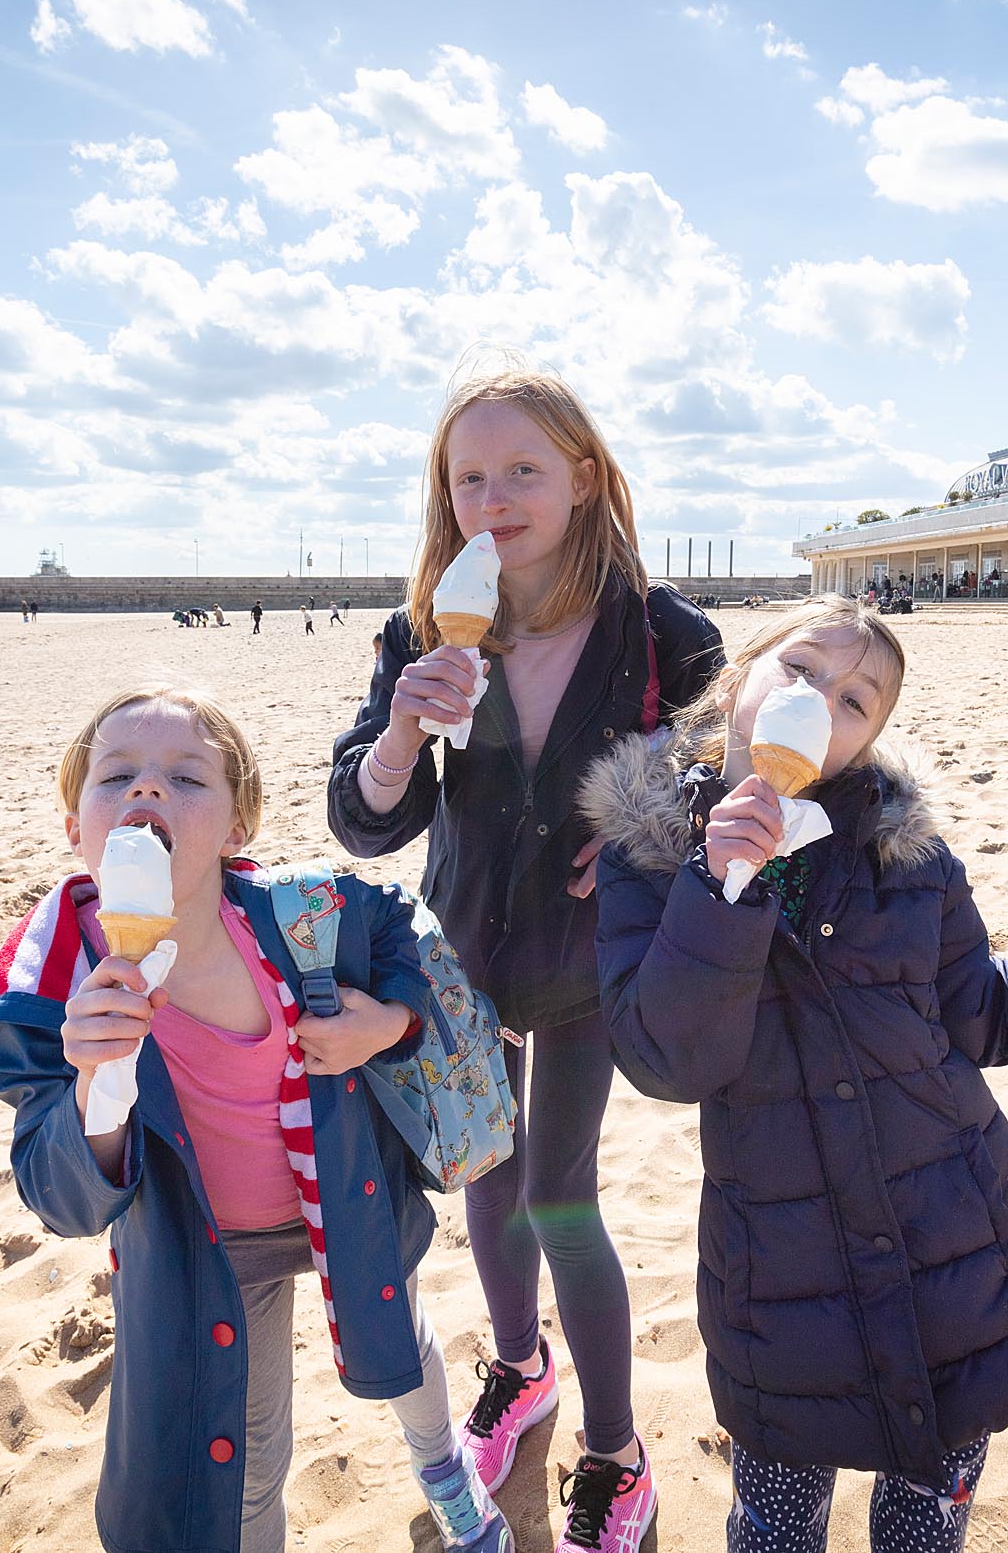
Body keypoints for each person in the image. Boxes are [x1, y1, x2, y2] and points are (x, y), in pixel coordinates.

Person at [583, 596, 1008, 1552]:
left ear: (867, 741)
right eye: (802, 670)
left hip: (953, 1243)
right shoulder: (647, 864)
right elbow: (665, 1058)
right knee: (775, 1518)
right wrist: (719, 887)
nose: (823, 701)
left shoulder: (905, 858)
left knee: (928, 1514)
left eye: (856, 700)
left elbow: (982, 1008)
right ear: (737, 683)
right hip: (782, 1270)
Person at [0, 687, 510, 1553]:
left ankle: (445, 1473)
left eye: (185, 777)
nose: (148, 792)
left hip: (339, 1196)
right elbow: (60, 1200)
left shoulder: (299, 919)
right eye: (117, 775)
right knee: (246, 1453)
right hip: (208, 1249)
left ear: (238, 829)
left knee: (401, 1344)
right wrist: (96, 1083)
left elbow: (401, 930)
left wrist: (384, 1025)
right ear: (73, 824)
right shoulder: (46, 992)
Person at [328, 358, 723, 1552]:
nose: (492, 498)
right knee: (484, 1176)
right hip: (468, 954)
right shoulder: (420, 625)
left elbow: (728, 781)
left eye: (521, 471)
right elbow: (363, 817)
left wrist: (653, 831)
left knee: (560, 1189)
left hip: (595, 962)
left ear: (583, 478)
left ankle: (614, 1450)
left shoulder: (662, 631)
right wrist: (403, 722)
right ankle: (519, 1366)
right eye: (467, 477)